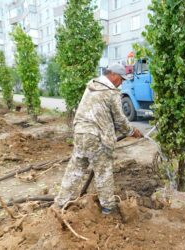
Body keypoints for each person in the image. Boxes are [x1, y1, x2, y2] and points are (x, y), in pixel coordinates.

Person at [55, 64, 142, 214]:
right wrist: (132, 131)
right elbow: (120, 119)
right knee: (103, 171)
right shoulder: (110, 92)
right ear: (113, 75)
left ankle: (60, 203)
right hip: (96, 136)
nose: (121, 83)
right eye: (121, 79)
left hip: (80, 133)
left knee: (75, 169)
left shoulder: (92, 86)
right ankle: (108, 208)